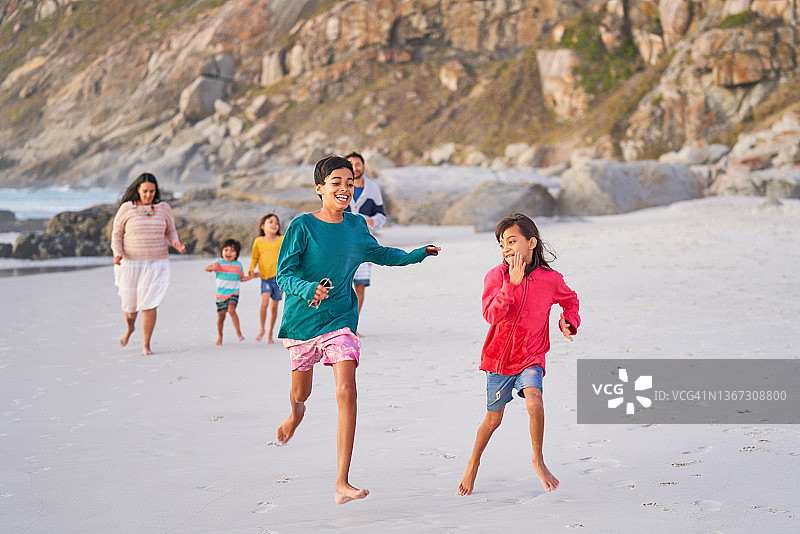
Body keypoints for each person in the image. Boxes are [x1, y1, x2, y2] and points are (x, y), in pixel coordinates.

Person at [275, 155, 440, 505]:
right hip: (302, 322)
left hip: (340, 320)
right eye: (336, 182)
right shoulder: (302, 226)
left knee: (346, 390)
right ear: (319, 188)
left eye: (349, 183)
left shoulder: (356, 226)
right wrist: (309, 290)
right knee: (301, 392)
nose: (344, 188)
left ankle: (341, 482)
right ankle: (295, 414)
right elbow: (283, 275)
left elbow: (380, 254)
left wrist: (415, 254)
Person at [457, 213, 580, 496]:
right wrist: (511, 284)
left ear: (531, 242)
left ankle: (537, 459)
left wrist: (569, 320)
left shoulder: (549, 279)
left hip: (531, 355)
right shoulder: (495, 276)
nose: (506, 249)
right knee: (493, 420)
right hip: (499, 359)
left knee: (535, 402)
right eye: (502, 244)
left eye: (512, 241)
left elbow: (570, 299)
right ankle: (473, 462)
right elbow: (490, 315)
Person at [111, 172, 186, 355]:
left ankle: (146, 345)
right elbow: (116, 234)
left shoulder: (164, 209)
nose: (148, 195)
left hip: (157, 263)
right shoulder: (126, 209)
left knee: (150, 304)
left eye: (152, 191)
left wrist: (175, 243)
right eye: (145, 191)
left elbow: (171, 232)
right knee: (130, 308)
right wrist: (118, 253)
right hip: (130, 264)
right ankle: (130, 328)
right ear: (138, 190)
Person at [343, 152, 386, 317]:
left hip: (363, 243)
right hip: (342, 243)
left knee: (360, 285)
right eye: (351, 164)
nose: (355, 167)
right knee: (341, 284)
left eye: (358, 163)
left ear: (363, 166)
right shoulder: (341, 188)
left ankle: (353, 323)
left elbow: (381, 213)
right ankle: (340, 324)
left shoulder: (372, 188)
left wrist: (373, 222)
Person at [206, 239, 254, 345]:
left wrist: (252, 276)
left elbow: (241, 278)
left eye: (232, 251)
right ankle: (220, 336)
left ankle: (238, 332)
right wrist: (214, 267)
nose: (228, 253)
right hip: (221, 295)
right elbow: (207, 268)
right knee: (221, 317)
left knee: (231, 310)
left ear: (237, 253)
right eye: (226, 250)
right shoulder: (218, 262)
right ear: (222, 251)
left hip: (233, 294)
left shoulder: (238, 265)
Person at [248, 213, 284, 343]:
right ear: (263, 226)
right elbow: (254, 258)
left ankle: (270, 333)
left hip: (279, 279)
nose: (275, 224)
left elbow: (287, 257)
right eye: (271, 222)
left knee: (274, 307)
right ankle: (262, 329)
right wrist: (251, 269)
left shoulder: (282, 240)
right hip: (265, 277)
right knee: (264, 303)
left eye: (276, 222)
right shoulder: (258, 241)